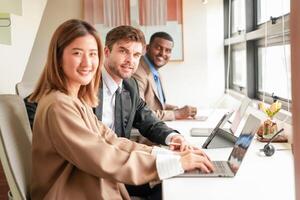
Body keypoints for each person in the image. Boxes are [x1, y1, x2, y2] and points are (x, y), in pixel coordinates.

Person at [28, 19, 214, 200]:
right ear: (58, 57)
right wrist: (176, 163)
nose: (87, 63)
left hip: (96, 178)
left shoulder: (78, 100)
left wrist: (170, 155)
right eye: (77, 53)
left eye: (92, 54)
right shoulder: (59, 104)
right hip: (75, 188)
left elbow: (112, 140)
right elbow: (102, 155)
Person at [133, 32, 198, 121]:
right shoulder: (138, 73)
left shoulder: (155, 72)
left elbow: (153, 105)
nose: (163, 53)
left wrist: (174, 109)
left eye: (168, 50)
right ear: (147, 48)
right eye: (158, 48)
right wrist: (177, 114)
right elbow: (140, 114)